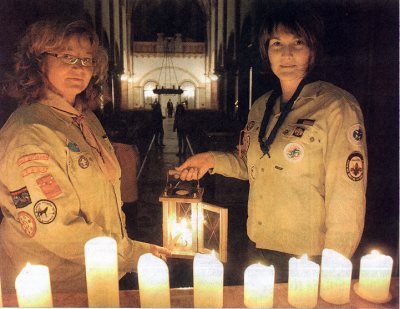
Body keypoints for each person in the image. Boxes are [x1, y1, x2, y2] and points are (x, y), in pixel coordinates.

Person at [174, 4, 367, 282]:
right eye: (277, 43)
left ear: (313, 50)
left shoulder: (336, 107)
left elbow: (347, 198)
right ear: (267, 51)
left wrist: (334, 269)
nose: (286, 53)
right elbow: (253, 165)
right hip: (260, 246)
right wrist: (211, 160)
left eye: (297, 43)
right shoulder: (262, 106)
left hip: (308, 258)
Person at [0, 18, 170, 293]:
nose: (79, 68)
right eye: (67, 57)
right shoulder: (30, 133)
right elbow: (58, 228)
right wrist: (131, 254)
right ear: (38, 61)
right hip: (56, 285)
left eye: (87, 60)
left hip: (100, 274)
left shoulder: (85, 118)